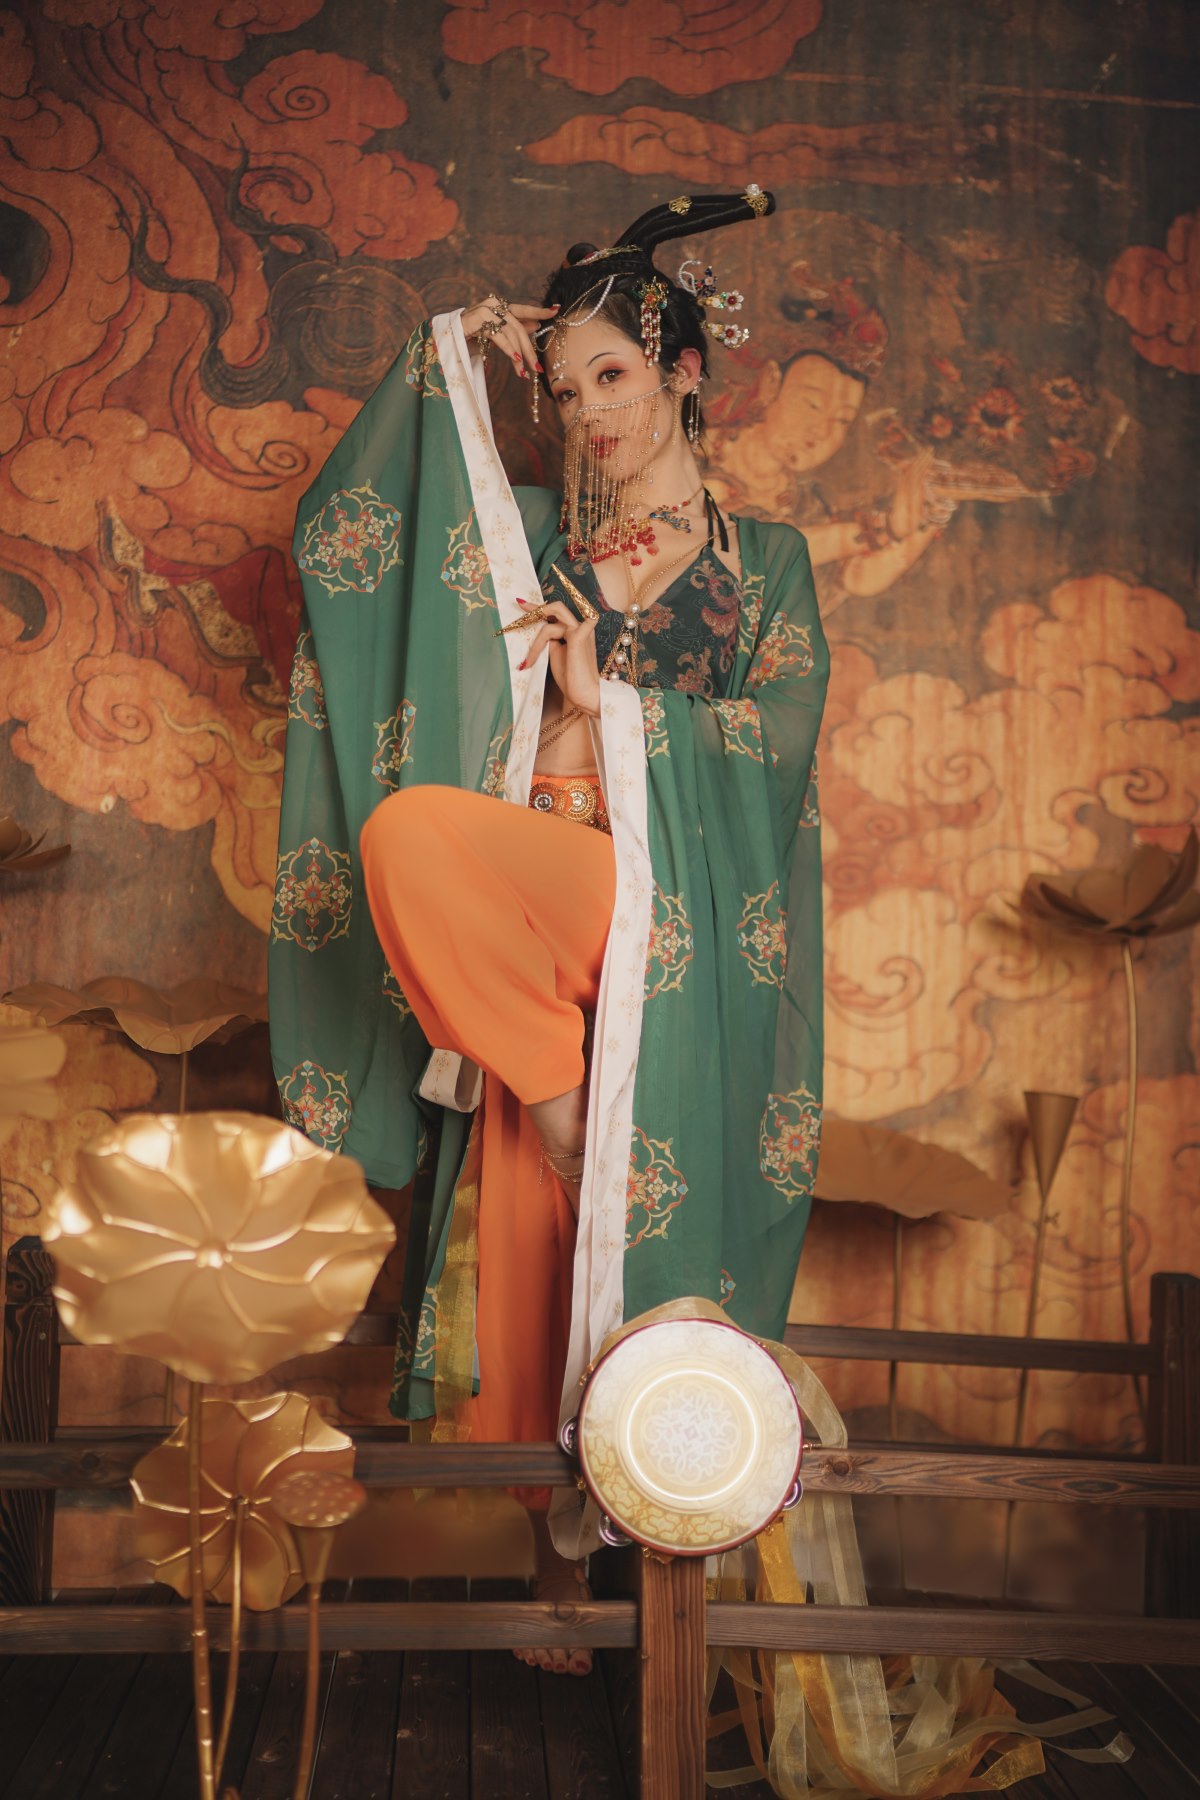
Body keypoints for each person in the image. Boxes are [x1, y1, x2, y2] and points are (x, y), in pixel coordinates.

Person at [269, 189, 829, 1676]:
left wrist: (615, 706)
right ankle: (561, 1574)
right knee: (531, 1222)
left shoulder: (764, 564)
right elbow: (351, 542)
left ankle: (676, 1579)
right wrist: (453, 352)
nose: (589, 415)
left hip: (669, 915)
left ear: (684, 374)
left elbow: (779, 745)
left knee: (634, 1218)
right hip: (535, 931)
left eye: (616, 376)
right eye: (567, 387)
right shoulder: (533, 546)